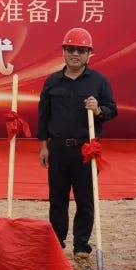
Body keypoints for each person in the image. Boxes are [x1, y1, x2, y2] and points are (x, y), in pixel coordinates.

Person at [37, 27, 117, 255]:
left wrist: (99, 110)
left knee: (85, 200)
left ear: (88, 54)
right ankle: (57, 241)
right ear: (63, 52)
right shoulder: (52, 82)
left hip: (86, 150)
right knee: (57, 199)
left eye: (81, 50)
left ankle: (81, 244)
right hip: (58, 149)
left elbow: (113, 109)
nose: (75, 54)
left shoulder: (99, 82)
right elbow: (43, 115)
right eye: (70, 49)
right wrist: (44, 146)